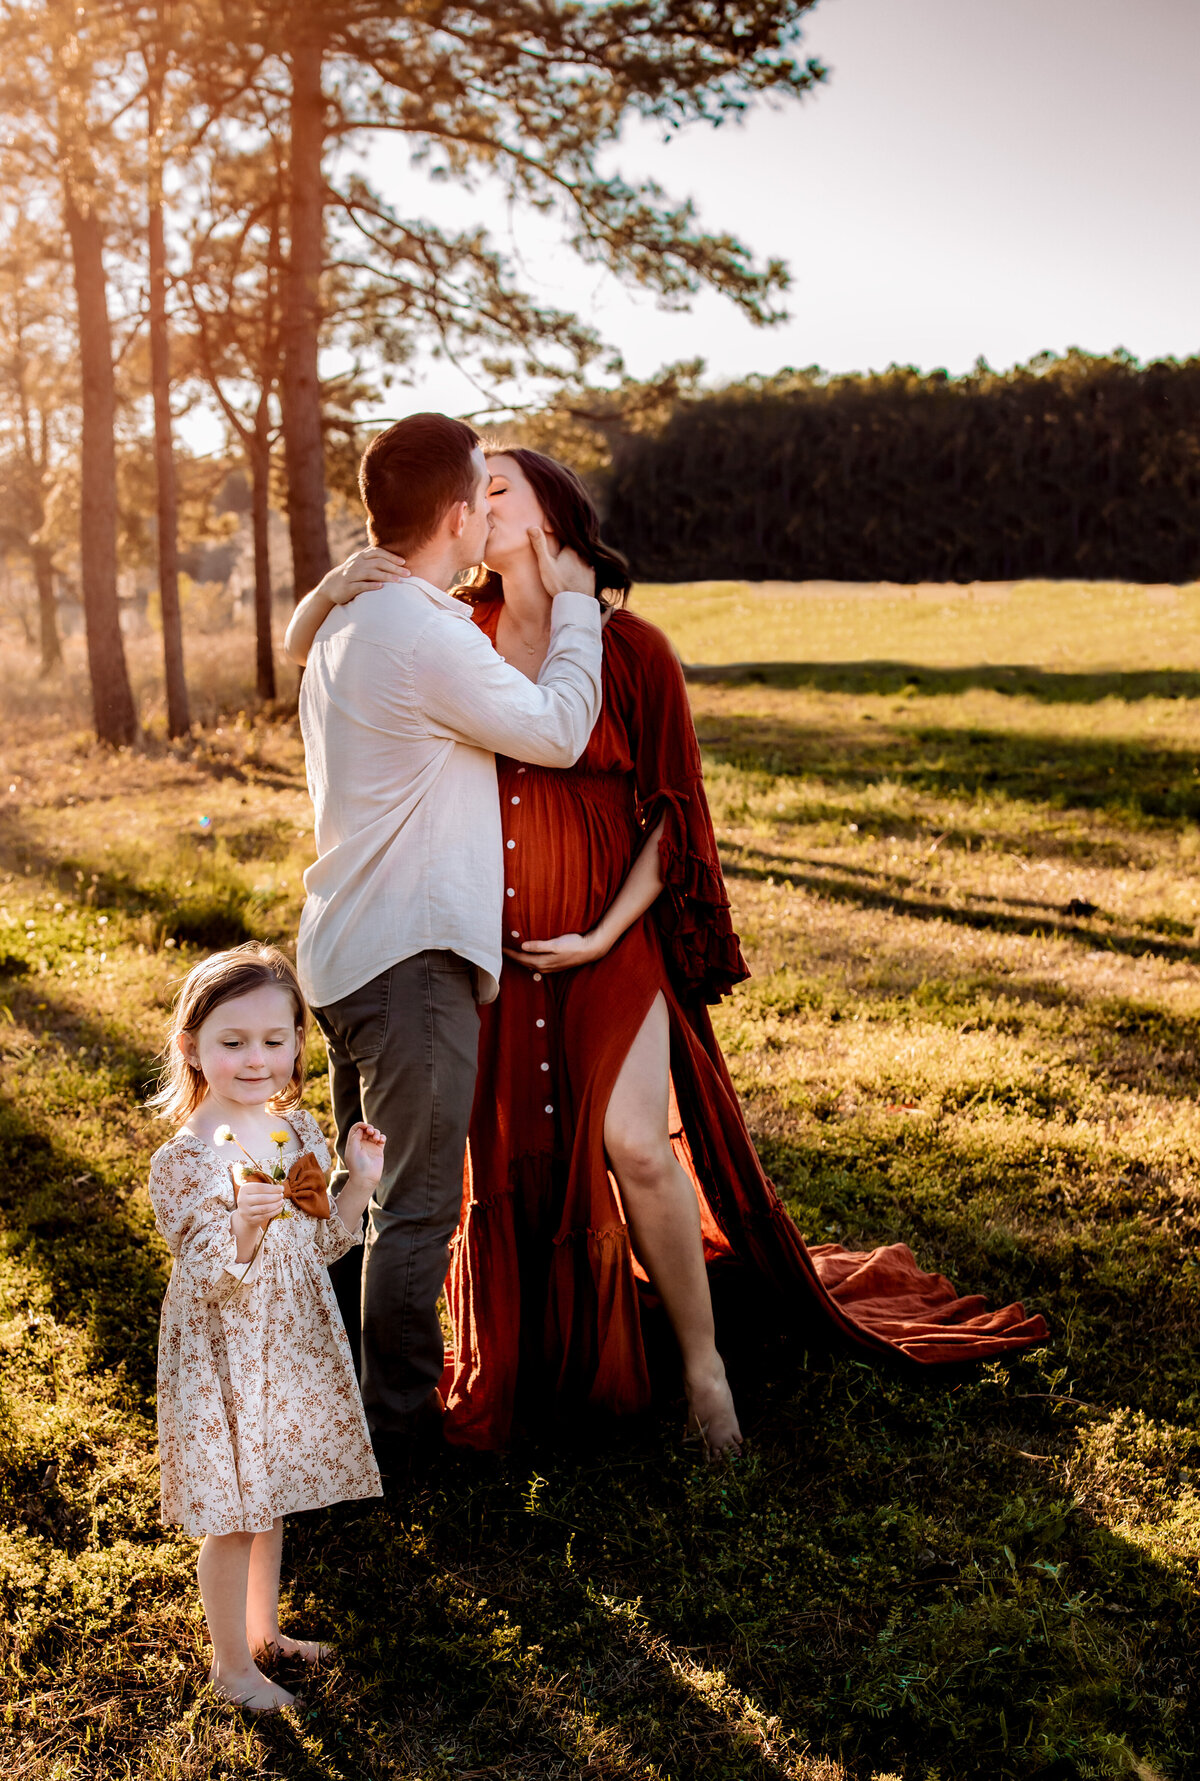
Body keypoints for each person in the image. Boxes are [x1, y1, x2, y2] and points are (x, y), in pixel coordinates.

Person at [293, 446, 1048, 1461]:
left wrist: (606, 931)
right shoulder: (449, 630)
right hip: (492, 951)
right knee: (495, 1171)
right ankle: (519, 1365)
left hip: (607, 939)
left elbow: (671, 813)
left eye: (503, 483)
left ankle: (704, 1370)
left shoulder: (630, 645)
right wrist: (346, 577)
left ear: (549, 509)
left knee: (640, 1147)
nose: (484, 500)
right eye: (478, 490)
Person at [284, 413, 603, 1463]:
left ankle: (325, 1403)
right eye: (488, 497)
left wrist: (332, 581)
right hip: (407, 960)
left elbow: (298, 634)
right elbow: (558, 731)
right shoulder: (422, 635)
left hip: (340, 947)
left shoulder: (352, 620)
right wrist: (583, 613)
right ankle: (397, 1431)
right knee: (416, 1207)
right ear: (461, 515)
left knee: (354, 1195)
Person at [147, 943, 384, 1713]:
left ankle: (264, 1632)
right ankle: (230, 1668)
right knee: (236, 1514)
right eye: (233, 1041)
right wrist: (245, 1229)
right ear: (192, 1047)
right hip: (225, 1350)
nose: (257, 1058)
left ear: (296, 1043)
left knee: (269, 1499)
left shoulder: (295, 1132)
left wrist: (358, 1183)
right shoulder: (181, 1160)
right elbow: (210, 1271)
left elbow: (323, 1241)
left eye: (274, 1040)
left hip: (286, 1344)